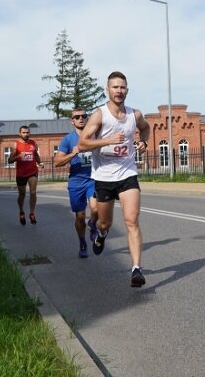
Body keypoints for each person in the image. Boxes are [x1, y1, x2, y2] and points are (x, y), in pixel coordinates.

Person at [79, 71, 151, 288]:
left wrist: (144, 143)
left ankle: (136, 269)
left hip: (127, 173)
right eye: (115, 87)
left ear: (127, 90)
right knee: (105, 221)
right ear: (107, 90)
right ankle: (101, 233)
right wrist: (108, 139)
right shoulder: (99, 115)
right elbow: (83, 144)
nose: (119, 91)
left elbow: (146, 129)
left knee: (132, 220)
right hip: (104, 177)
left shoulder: (134, 115)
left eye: (122, 87)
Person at [54, 108, 100, 258]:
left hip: (93, 179)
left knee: (95, 209)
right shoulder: (68, 140)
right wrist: (73, 153)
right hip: (76, 181)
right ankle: (82, 242)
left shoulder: (94, 135)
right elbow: (58, 162)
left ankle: (93, 225)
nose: (81, 118)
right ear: (72, 121)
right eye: (77, 117)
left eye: (84, 116)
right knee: (80, 217)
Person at [8, 125, 44, 225]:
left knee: (33, 193)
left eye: (27, 132)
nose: (26, 134)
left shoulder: (33, 143)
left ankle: (32, 214)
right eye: (24, 132)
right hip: (21, 173)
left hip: (32, 172)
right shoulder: (16, 145)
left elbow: (36, 155)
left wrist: (40, 163)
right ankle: (21, 212)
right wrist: (19, 156)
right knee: (22, 195)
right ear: (20, 133)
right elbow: (10, 160)